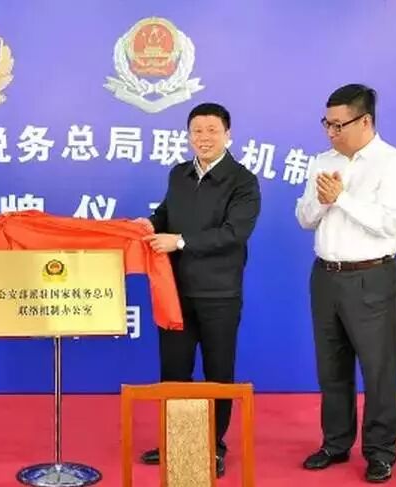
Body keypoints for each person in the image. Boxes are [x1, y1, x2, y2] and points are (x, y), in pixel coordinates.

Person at [295, 84, 396, 483]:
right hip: (325, 276)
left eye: (339, 125)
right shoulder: (322, 161)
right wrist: (323, 199)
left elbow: (390, 221)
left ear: (365, 121)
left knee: (379, 368)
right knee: (331, 366)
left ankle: (380, 451)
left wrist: (342, 198)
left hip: (371, 277)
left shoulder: (391, 163)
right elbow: (304, 218)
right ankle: (335, 442)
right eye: (326, 124)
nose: (331, 132)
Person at [133, 101, 261, 479]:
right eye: (197, 131)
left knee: (218, 374)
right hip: (175, 290)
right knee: (174, 371)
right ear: (188, 135)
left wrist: (180, 242)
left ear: (228, 135)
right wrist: (149, 223)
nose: (204, 138)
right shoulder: (179, 174)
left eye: (212, 130)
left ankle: (214, 446)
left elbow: (234, 233)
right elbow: (166, 213)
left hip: (219, 293)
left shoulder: (243, 181)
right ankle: (177, 439)